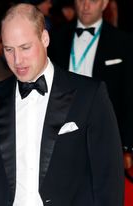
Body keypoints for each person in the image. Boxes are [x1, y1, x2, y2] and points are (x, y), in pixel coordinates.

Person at [0, 3, 124, 206]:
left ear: (44, 39)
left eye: (25, 47)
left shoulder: (89, 95)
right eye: (8, 49)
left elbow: (108, 177)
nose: (17, 60)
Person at [48, 0, 133, 169]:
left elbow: (129, 96)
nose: (86, 6)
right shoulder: (55, 37)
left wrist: (127, 146)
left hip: (105, 131)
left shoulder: (124, 42)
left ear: (104, 3)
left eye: (92, 0)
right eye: (81, 0)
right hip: (60, 129)